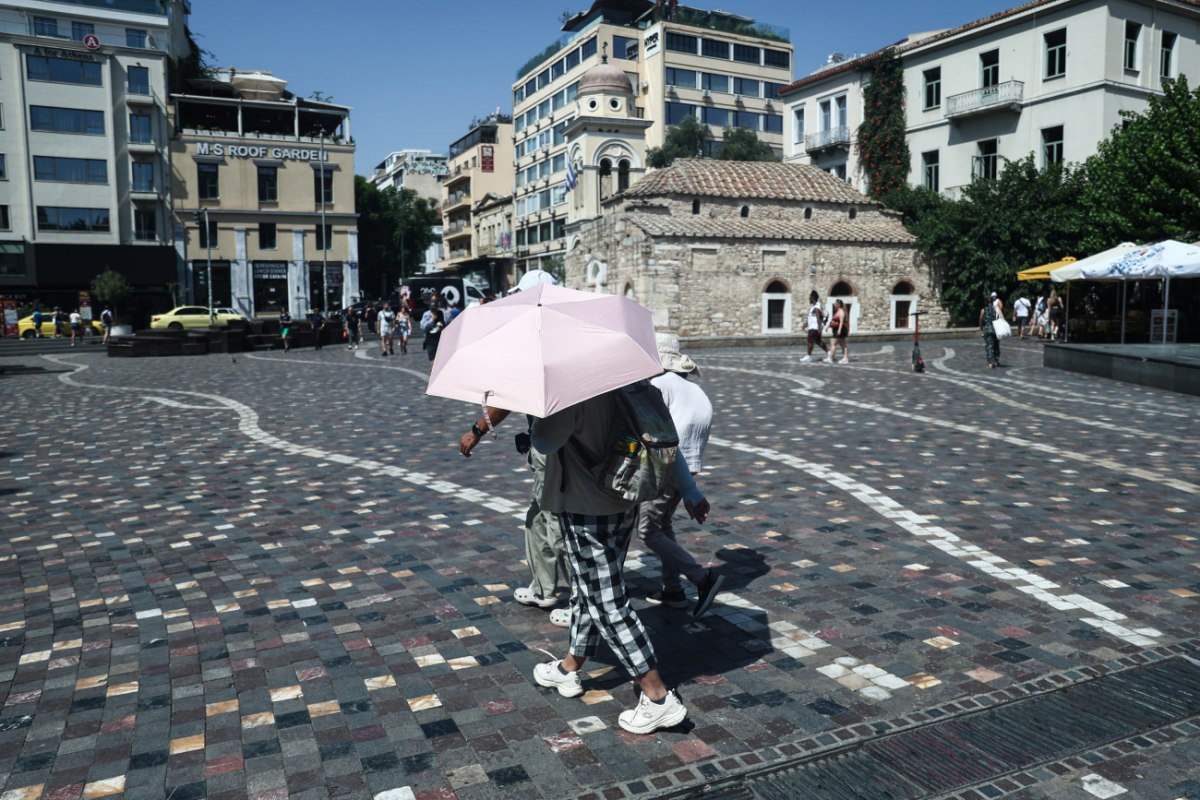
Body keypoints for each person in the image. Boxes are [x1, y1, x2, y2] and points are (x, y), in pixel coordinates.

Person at [529, 388, 709, 734]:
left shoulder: (570, 392)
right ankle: (569, 668)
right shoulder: (631, 382)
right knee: (589, 592)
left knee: (608, 604)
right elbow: (665, 440)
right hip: (623, 498)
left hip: (585, 509)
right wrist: (690, 489)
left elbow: (545, 442)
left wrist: (539, 410)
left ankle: (658, 698)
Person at [639, 334, 725, 618]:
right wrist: (690, 486)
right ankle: (672, 588)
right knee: (662, 524)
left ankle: (701, 578)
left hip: (667, 467)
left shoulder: (658, 385)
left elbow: (660, 436)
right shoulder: (693, 389)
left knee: (647, 530)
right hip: (687, 467)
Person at [460, 407, 571, 627]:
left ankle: (583, 602)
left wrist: (476, 430)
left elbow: (502, 404)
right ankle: (542, 588)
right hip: (545, 444)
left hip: (556, 446)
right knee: (537, 517)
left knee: (556, 522)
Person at [801, 291, 829, 363]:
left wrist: (819, 328)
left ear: (813, 298)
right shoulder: (814, 307)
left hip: (814, 328)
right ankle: (829, 352)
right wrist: (805, 325)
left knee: (810, 341)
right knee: (818, 341)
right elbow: (811, 318)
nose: (809, 299)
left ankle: (808, 356)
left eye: (810, 297)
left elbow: (818, 318)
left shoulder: (816, 308)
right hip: (814, 327)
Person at [980, 291, 1002, 369]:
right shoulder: (996, 309)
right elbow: (1000, 318)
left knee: (989, 346)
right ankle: (996, 361)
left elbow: (981, 319)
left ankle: (990, 363)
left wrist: (981, 328)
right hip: (996, 329)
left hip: (987, 329)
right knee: (996, 345)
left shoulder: (983, 310)